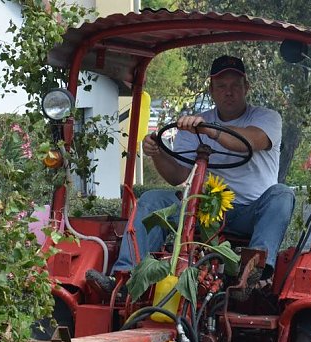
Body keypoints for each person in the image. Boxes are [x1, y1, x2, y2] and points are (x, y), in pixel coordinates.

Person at [87, 55, 294, 294]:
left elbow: (249, 141)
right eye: (221, 86)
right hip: (204, 209)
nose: (229, 92)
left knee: (282, 194)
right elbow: (178, 176)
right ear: (211, 90)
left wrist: (209, 130)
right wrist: (157, 153)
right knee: (152, 200)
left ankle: (254, 274)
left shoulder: (266, 118)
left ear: (246, 87)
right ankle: (126, 279)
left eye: (235, 85)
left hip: (252, 211)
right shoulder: (194, 124)